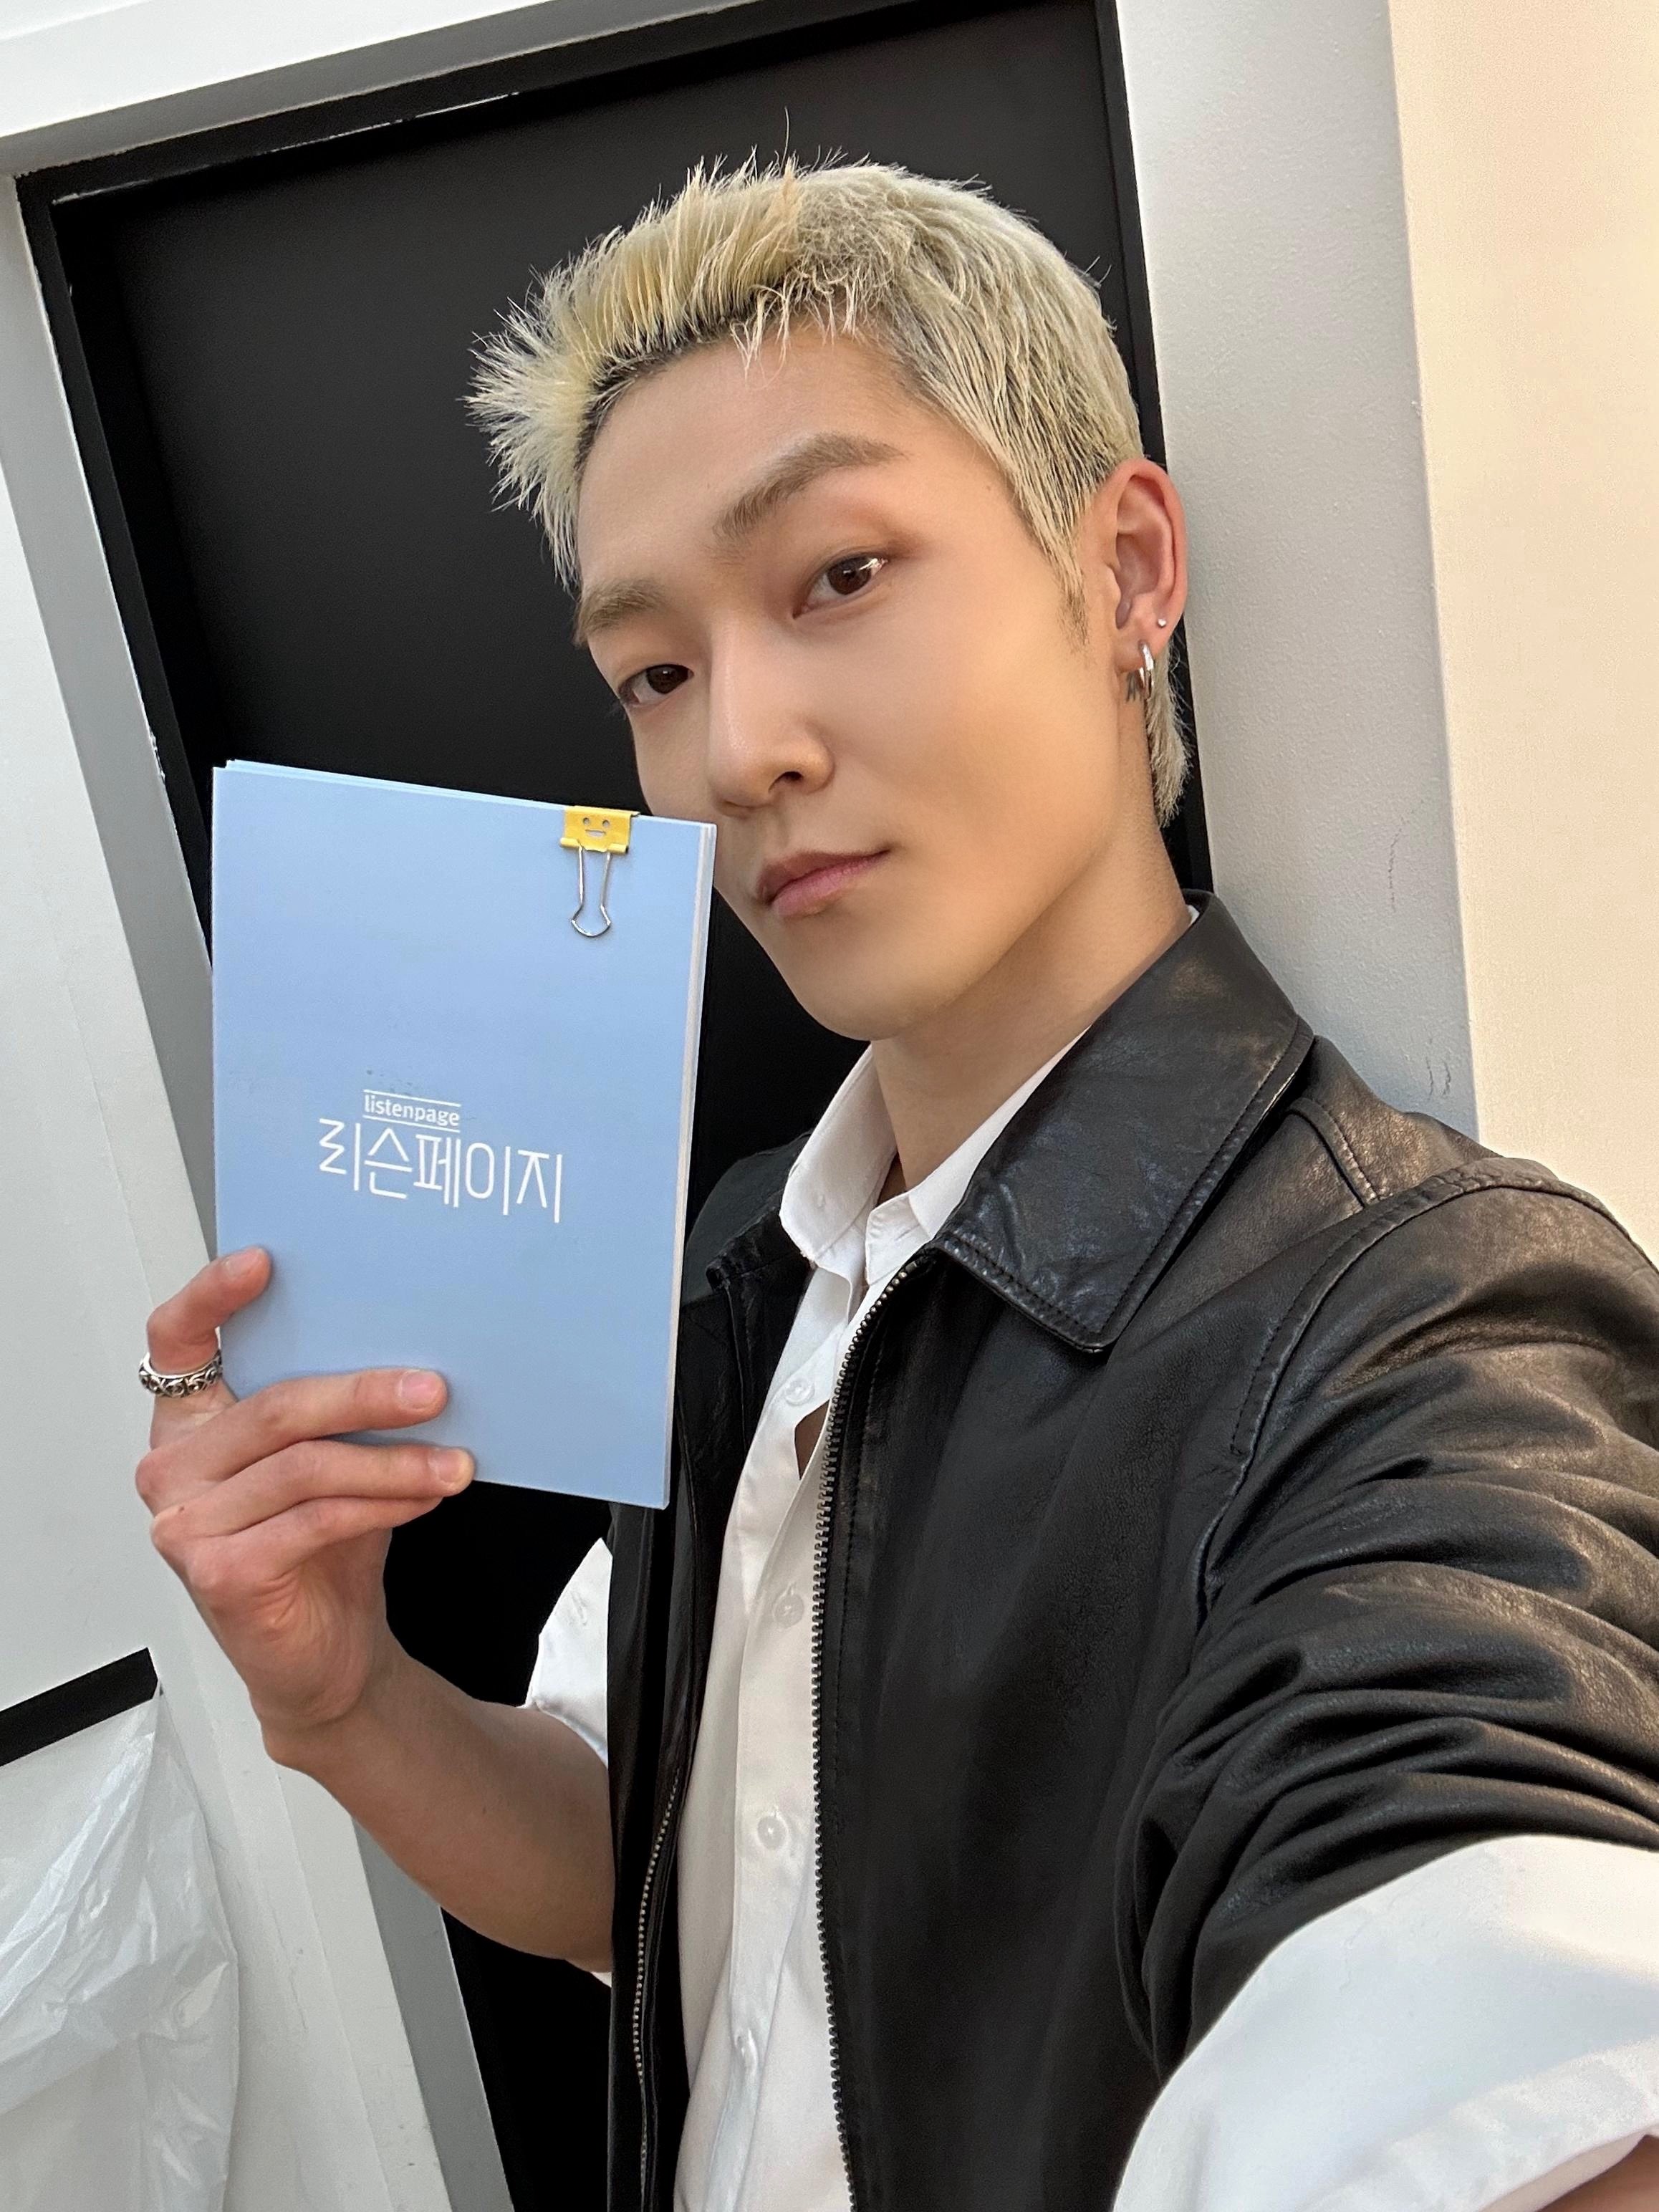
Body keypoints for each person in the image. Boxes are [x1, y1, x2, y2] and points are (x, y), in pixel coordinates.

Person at [135, 159, 1659, 2212]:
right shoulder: (745, 1266)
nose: (734, 752)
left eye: (838, 574)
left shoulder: (1421, 1330)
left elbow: (1474, 1960)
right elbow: (642, 1868)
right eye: (653, 672)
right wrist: (345, 1700)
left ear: (1124, 570)